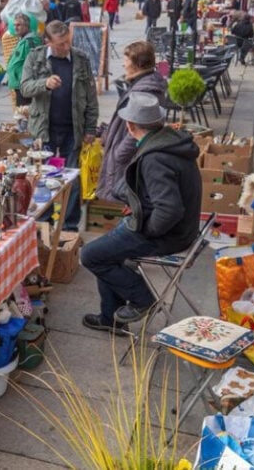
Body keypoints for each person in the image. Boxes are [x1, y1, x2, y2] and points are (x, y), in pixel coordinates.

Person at [80, 92, 202, 333]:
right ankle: (110, 319)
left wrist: (146, 229)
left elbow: (169, 210)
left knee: (90, 255)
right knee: (107, 251)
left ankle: (143, 299)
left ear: (130, 125)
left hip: (168, 234)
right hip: (180, 229)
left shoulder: (155, 156)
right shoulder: (168, 141)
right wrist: (138, 206)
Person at [19, 20, 99, 230]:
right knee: (42, 178)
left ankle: (68, 226)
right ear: (48, 42)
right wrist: (44, 84)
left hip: (73, 129)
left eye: (67, 42)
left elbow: (91, 96)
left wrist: (91, 127)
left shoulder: (80, 59)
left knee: (71, 179)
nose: (65, 48)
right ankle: (43, 223)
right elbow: (24, 88)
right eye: (60, 44)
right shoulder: (35, 57)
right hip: (44, 130)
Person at [98, 41, 166, 201]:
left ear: (138, 64)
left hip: (127, 158)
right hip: (124, 152)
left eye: (126, 60)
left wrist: (118, 154)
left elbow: (141, 128)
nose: (123, 64)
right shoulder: (144, 84)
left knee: (122, 197)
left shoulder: (145, 90)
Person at [5, 13, 42, 106]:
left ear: (26, 26)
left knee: (24, 114)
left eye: (18, 25)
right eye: (14, 25)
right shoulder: (23, 39)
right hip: (19, 83)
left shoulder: (30, 41)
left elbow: (35, 63)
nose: (15, 28)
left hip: (24, 84)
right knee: (21, 113)